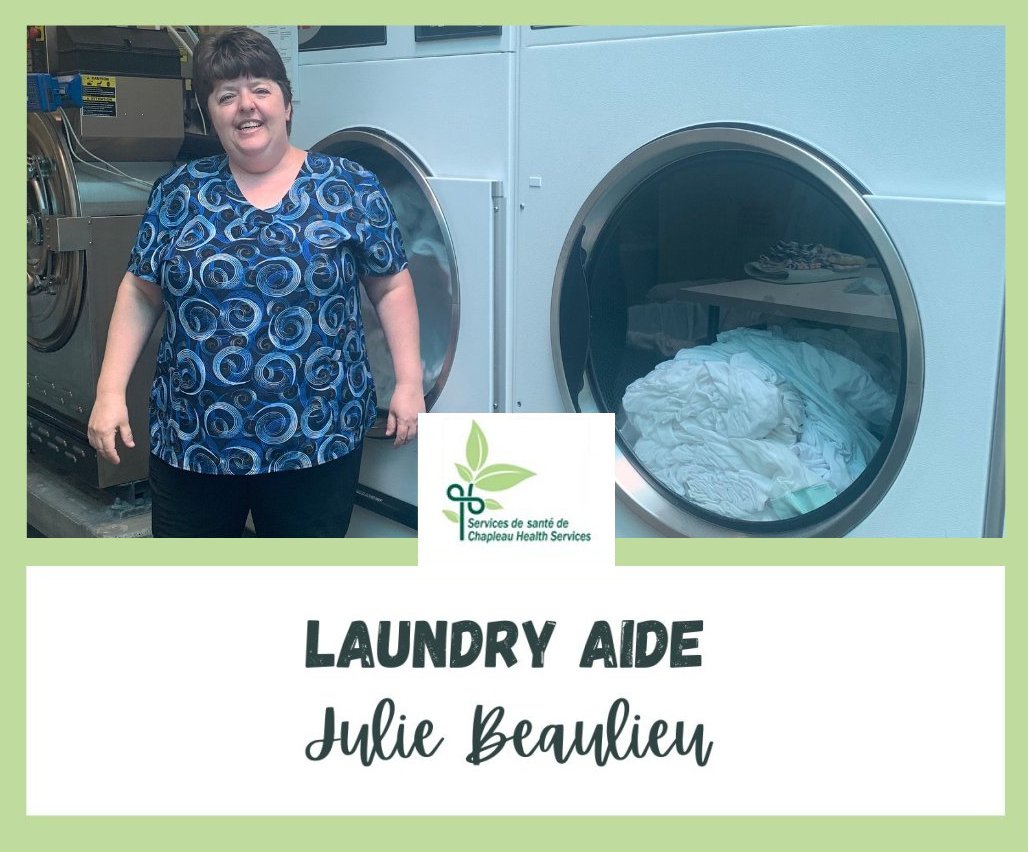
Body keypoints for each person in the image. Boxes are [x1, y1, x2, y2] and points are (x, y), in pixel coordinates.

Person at [87, 27, 424, 537]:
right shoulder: (178, 191)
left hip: (315, 435)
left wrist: (410, 383)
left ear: (287, 103)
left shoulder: (349, 185)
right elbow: (140, 291)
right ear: (210, 112)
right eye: (226, 95)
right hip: (195, 438)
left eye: (261, 90)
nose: (246, 106)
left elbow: (391, 284)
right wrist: (109, 392)